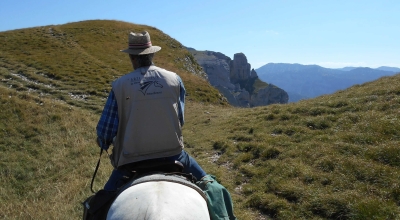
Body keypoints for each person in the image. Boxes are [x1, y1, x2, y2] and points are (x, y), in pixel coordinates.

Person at [96, 31, 236, 220]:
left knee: (98, 205)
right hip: (174, 155)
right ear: (152, 53)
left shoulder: (119, 85)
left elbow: (105, 132)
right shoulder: (174, 79)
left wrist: (103, 142)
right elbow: (179, 119)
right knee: (212, 187)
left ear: (131, 57)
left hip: (130, 161)